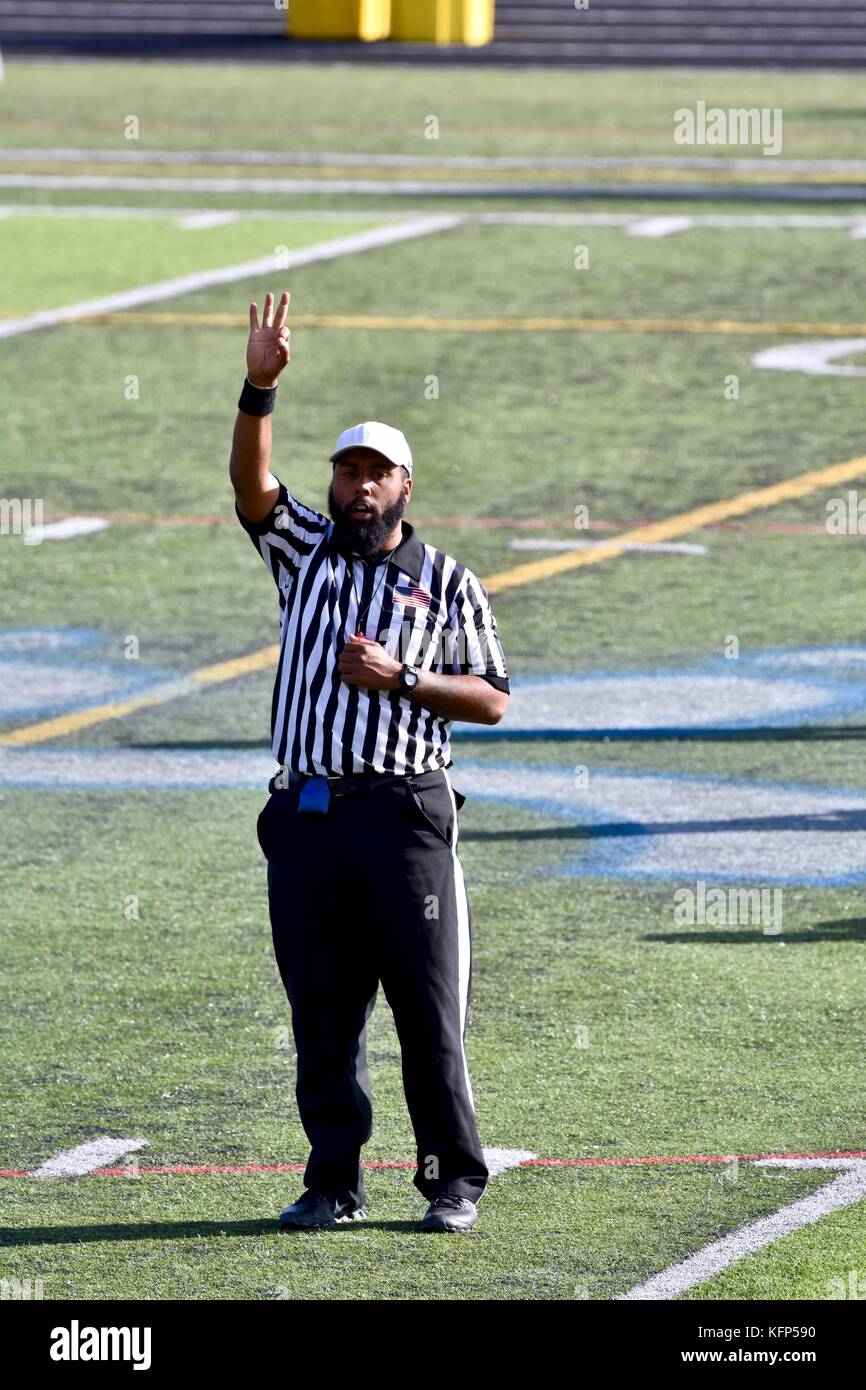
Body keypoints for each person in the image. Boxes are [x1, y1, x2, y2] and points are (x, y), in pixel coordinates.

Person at [229, 290, 510, 1233]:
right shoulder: (303, 550)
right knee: (322, 1016)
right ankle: (333, 1181)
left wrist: (405, 678)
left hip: (402, 816)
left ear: (404, 486)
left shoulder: (448, 583)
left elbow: (494, 698)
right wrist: (258, 388)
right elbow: (249, 490)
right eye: (346, 471)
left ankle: (452, 1181)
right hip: (307, 817)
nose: (356, 487)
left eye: (374, 474)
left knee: (428, 1016)